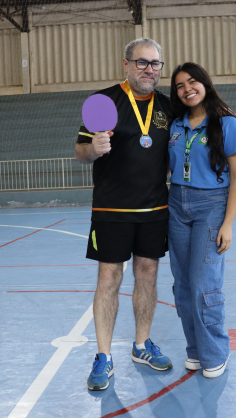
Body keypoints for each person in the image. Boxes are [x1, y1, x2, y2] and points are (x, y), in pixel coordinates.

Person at [75, 38, 173, 391]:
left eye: (155, 63)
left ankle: (142, 344)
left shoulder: (168, 106)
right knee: (108, 279)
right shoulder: (105, 101)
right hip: (111, 210)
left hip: (154, 210)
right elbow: (80, 151)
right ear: (126, 64)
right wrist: (93, 148)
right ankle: (103, 356)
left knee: (148, 275)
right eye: (142, 62)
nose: (149, 69)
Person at [167, 62, 236, 378]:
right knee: (183, 286)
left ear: (205, 83)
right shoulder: (176, 126)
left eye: (192, 82)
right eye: (180, 86)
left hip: (211, 206)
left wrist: (228, 224)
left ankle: (214, 352)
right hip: (177, 204)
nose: (187, 89)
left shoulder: (227, 123)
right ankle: (195, 351)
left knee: (204, 284)